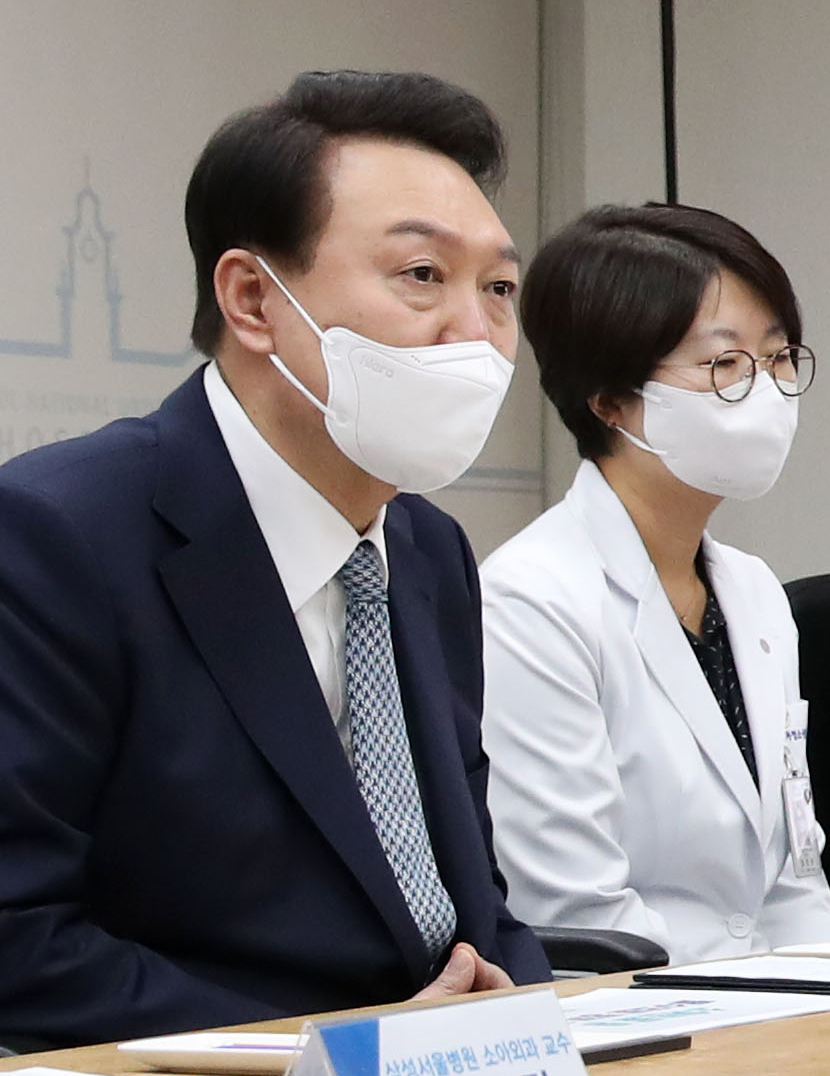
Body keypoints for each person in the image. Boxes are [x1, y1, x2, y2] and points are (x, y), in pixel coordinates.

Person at [0, 69, 550, 1052]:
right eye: (422, 276)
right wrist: (342, 1044)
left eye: (499, 288)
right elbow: (19, 941)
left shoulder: (428, 548)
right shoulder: (53, 535)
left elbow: (470, 903)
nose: (478, 335)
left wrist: (531, 1021)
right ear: (254, 297)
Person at [481, 203, 830, 965]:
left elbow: (795, 874)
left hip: (779, 1012)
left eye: (778, 358)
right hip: (634, 1016)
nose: (768, 391)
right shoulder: (531, 600)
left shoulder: (755, 592)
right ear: (610, 401)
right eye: (726, 365)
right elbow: (577, 911)